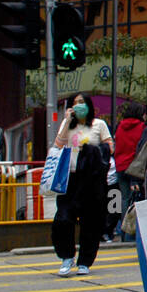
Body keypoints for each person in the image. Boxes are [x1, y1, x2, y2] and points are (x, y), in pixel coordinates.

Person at [51, 92, 115, 276]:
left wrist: (92, 149)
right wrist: (67, 122)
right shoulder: (67, 124)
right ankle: (66, 256)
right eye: (75, 103)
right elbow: (58, 145)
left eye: (81, 102)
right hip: (69, 179)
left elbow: (110, 147)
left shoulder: (99, 125)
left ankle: (85, 261)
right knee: (63, 219)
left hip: (92, 180)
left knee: (91, 222)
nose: (78, 105)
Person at [111, 100, 146, 241]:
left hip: (120, 167)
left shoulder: (119, 127)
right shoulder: (143, 127)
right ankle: (134, 233)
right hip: (135, 169)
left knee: (125, 200)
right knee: (137, 200)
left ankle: (124, 232)